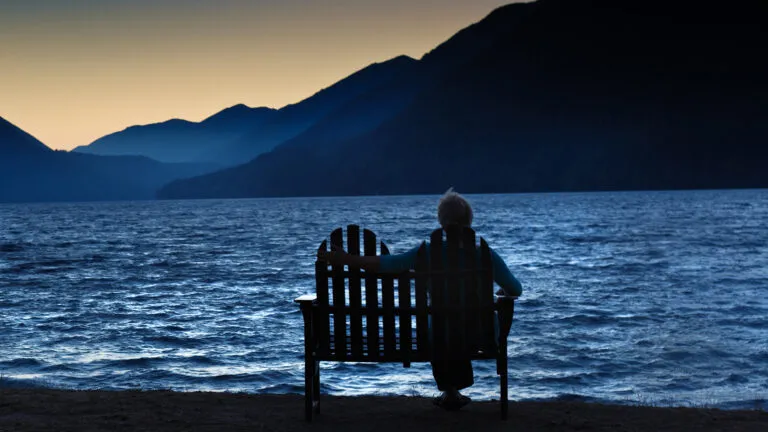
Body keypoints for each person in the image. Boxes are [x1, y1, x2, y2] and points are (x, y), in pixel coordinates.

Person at [318, 188, 523, 411]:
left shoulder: (425, 252)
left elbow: (385, 264)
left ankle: (450, 391)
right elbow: (515, 289)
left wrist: (346, 258)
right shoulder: (485, 254)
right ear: (469, 220)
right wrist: (501, 294)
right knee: (462, 322)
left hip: (437, 336)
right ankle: (453, 392)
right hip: (479, 335)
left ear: (441, 222)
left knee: (438, 322)